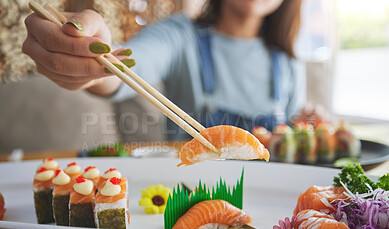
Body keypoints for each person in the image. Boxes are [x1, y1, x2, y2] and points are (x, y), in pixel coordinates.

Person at [23, 0, 307, 140]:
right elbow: (129, 67)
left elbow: (291, 136)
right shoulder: (179, 35)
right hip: (191, 194)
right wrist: (94, 59)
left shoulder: (288, 61)